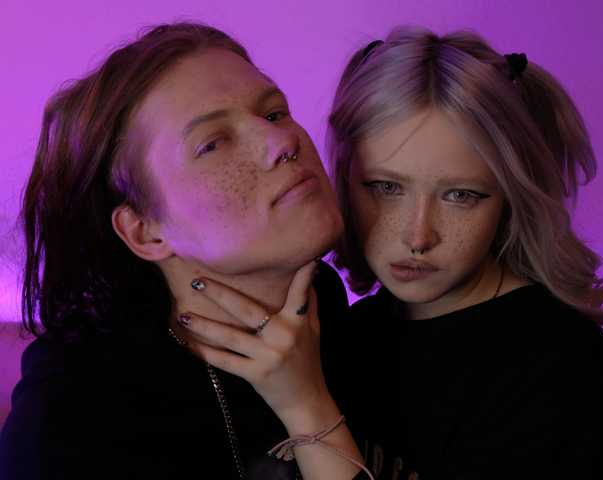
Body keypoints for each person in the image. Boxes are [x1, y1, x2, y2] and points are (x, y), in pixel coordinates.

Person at [0, 22, 368, 480]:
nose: (283, 141)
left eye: (274, 113)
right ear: (145, 232)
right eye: (212, 144)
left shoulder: (328, 306)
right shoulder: (71, 413)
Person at [324, 27, 603, 479]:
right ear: (343, 177)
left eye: (461, 195)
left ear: (510, 198)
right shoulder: (349, 334)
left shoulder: (560, 366)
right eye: (385, 187)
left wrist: (307, 411)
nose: (418, 236)